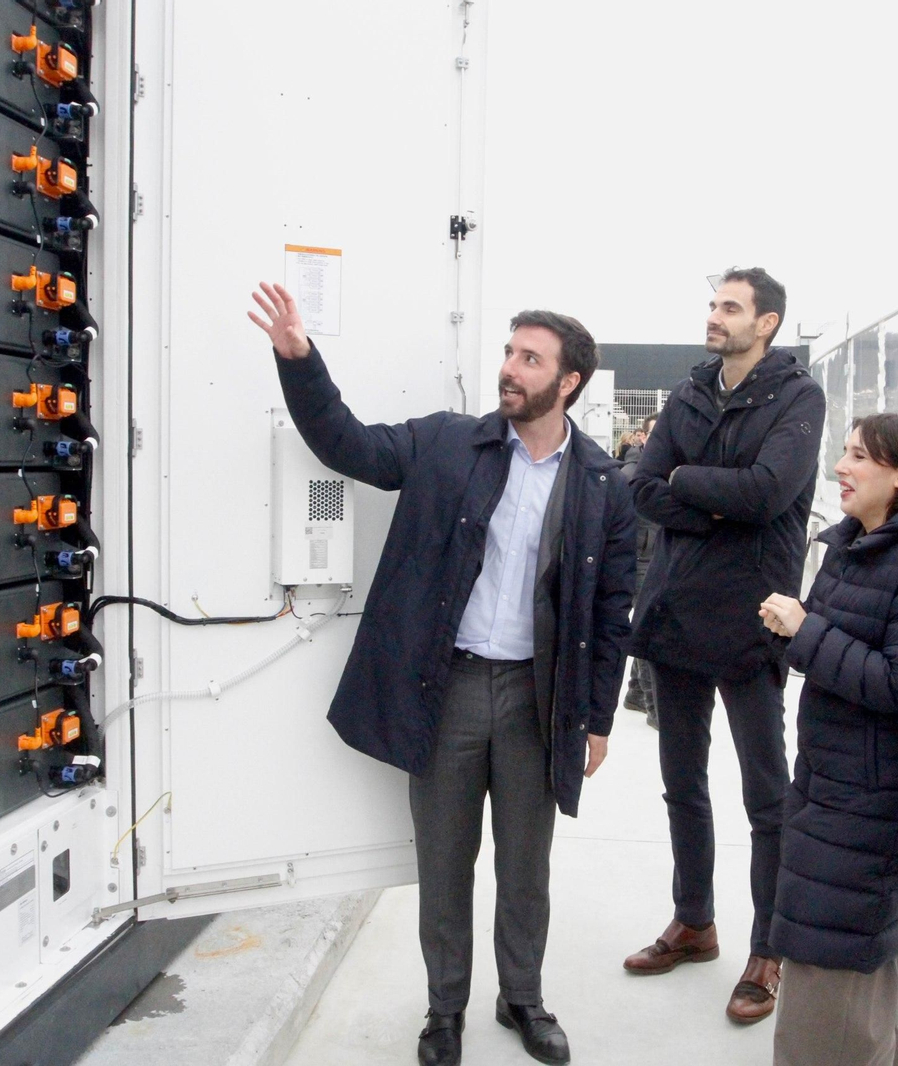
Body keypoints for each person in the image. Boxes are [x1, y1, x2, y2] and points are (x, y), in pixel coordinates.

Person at [248, 283, 637, 1066]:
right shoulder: (447, 443)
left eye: (531, 359)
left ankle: (522, 999)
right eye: (510, 352)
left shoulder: (601, 484)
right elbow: (348, 445)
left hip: (537, 699)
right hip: (449, 687)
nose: (510, 368)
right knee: (445, 866)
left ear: (569, 382)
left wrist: (597, 718)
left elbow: (610, 611)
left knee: (524, 869)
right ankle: (444, 1010)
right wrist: (299, 360)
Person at [623, 267, 826, 1024]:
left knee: (767, 797)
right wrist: (708, 497)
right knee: (682, 782)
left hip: (752, 618)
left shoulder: (798, 398)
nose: (715, 316)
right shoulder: (690, 391)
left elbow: (770, 493)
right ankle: (694, 923)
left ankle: (768, 950)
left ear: (766, 323)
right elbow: (642, 488)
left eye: (730, 307)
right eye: (713, 304)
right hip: (676, 613)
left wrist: (683, 477)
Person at [758, 415, 898, 1066]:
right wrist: (791, 632)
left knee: (834, 964)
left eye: (858, 457)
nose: (841, 467)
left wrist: (806, 631)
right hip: (831, 786)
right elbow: (830, 651)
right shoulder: (853, 544)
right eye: (844, 453)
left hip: (871, 803)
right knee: (856, 968)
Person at [620, 415, 660, 726]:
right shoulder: (633, 471)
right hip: (639, 559)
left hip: (656, 556)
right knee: (649, 629)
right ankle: (654, 706)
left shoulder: (661, 467)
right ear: (642, 437)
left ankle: (635, 693)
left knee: (647, 623)